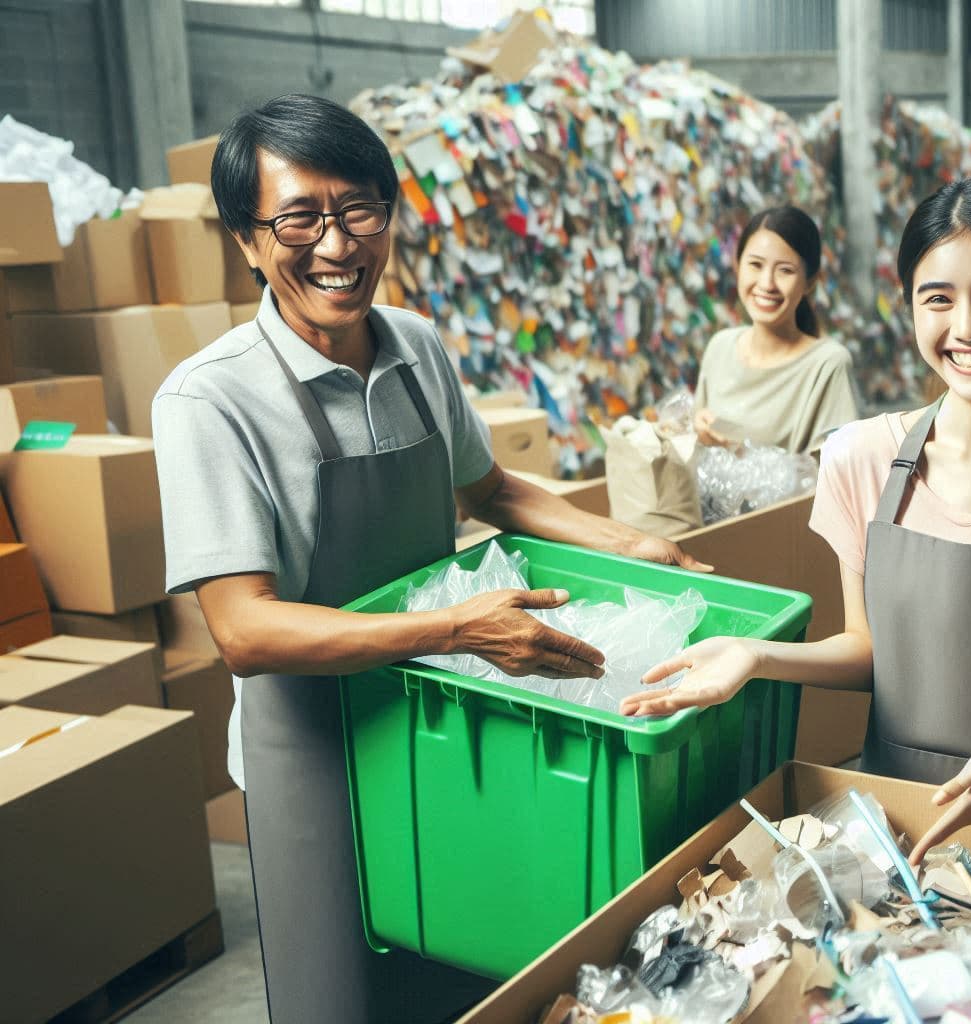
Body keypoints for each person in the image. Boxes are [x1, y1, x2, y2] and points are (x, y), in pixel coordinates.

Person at [151, 94, 708, 1024]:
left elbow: (492, 491)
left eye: (360, 208)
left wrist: (636, 544)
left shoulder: (415, 346)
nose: (337, 244)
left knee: (468, 978)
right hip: (316, 759)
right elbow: (242, 628)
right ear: (247, 241)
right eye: (299, 218)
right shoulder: (210, 402)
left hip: (448, 734)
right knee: (343, 995)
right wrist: (461, 628)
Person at [621, 176, 971, 862]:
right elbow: (868, 650)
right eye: (937, 299)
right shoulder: (861, 459)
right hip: (894, 831)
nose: (967, 327)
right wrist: (757, 656)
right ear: (908, 308)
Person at [693, 206, 859, 453]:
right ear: (738, 267)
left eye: (785, 270)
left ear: (810, 283)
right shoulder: (720, 347)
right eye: (756, 265)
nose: (767, 284)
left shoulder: (827, 365)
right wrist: (699, 429)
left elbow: (841, 471)